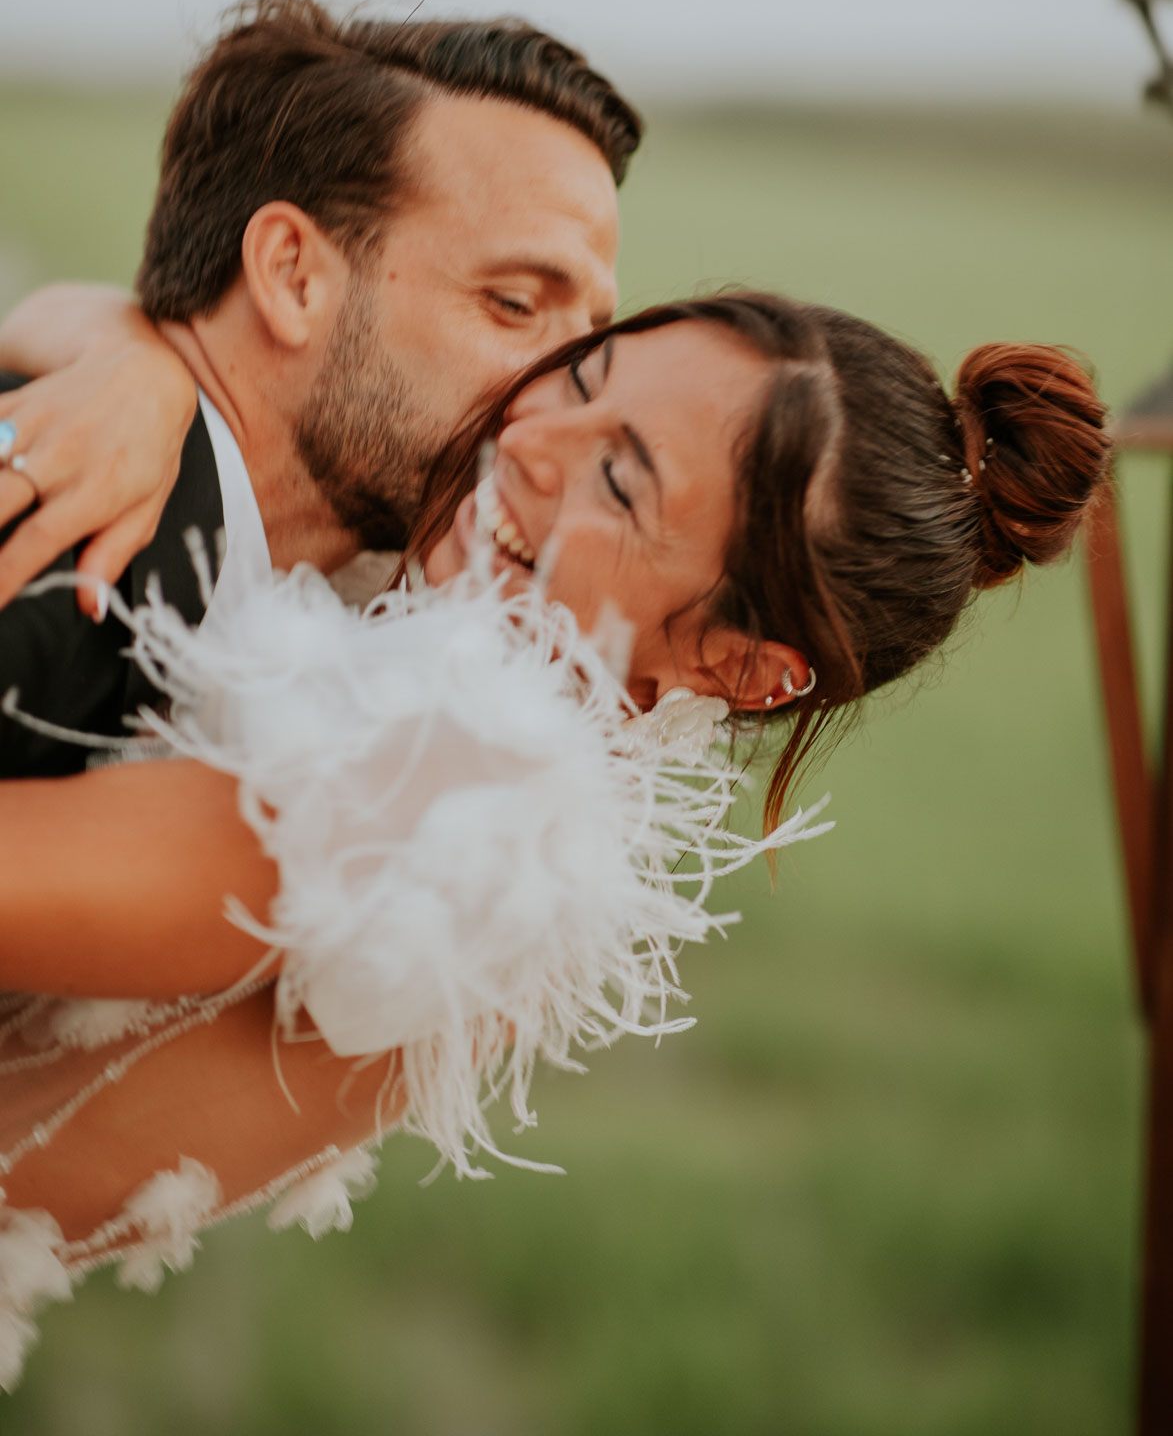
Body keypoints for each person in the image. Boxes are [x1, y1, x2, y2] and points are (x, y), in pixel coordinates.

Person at [0, 291, 1109, 1382]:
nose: (526, 439)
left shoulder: (440, 804)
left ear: (736, 662)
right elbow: (85, 316)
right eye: (581, 373)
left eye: (620, 478)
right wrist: (132, 360)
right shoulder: (446, 618)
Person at [0, 0, 640, 772]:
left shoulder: (375, 628)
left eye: (589, 347)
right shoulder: (45, 557)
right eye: (513, 304)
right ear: (294, 276)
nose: (558, 390)